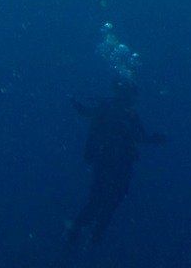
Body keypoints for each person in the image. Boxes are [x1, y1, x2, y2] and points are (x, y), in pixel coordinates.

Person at [65, 78, 165, 250]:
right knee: (106, 199)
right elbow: (140, 137)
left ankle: (86, 230)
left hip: (113, 162)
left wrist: (152, 139)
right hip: (113, 162)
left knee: (105, 198)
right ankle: (88, 231)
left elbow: (139, 136)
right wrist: (153, 139)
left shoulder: (122, 112)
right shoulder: (117, 111)